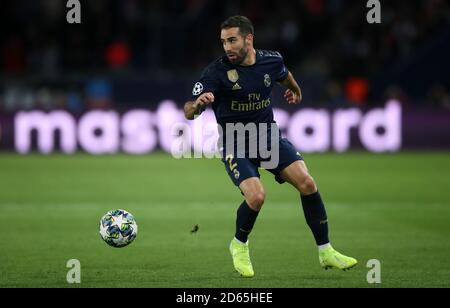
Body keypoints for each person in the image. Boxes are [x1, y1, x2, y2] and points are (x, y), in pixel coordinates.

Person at [184, 15, 357, 278]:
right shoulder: (215, 72)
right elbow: (188, 110)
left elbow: (284, 75)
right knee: (256, 197)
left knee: (308, 183)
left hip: (267, 137)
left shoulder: (271, 60)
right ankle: (239, 245)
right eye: (223, 42)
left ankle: (326, 251)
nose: (227, 47)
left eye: (232, 40)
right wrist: (197, 106)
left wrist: (295, 90)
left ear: (248, 38)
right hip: (235, 142)